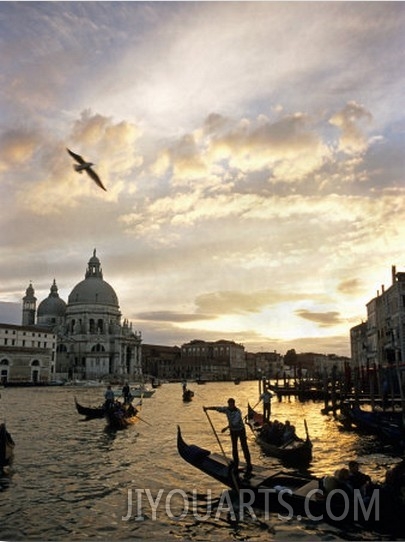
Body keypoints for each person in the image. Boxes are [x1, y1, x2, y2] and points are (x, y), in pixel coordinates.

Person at [204, 398, 252, 476]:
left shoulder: (238, 412)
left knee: (244, 446)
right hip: (233, 431)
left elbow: (234, 423)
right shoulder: (227, 409)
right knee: (234, 447)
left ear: (234, 404)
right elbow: (217, 408)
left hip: (240, 430)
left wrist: (225, 428)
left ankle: (249, 464)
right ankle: (236, 464)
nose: (230, 406)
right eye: (229, 404)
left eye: (231, 404)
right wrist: (207, 408)